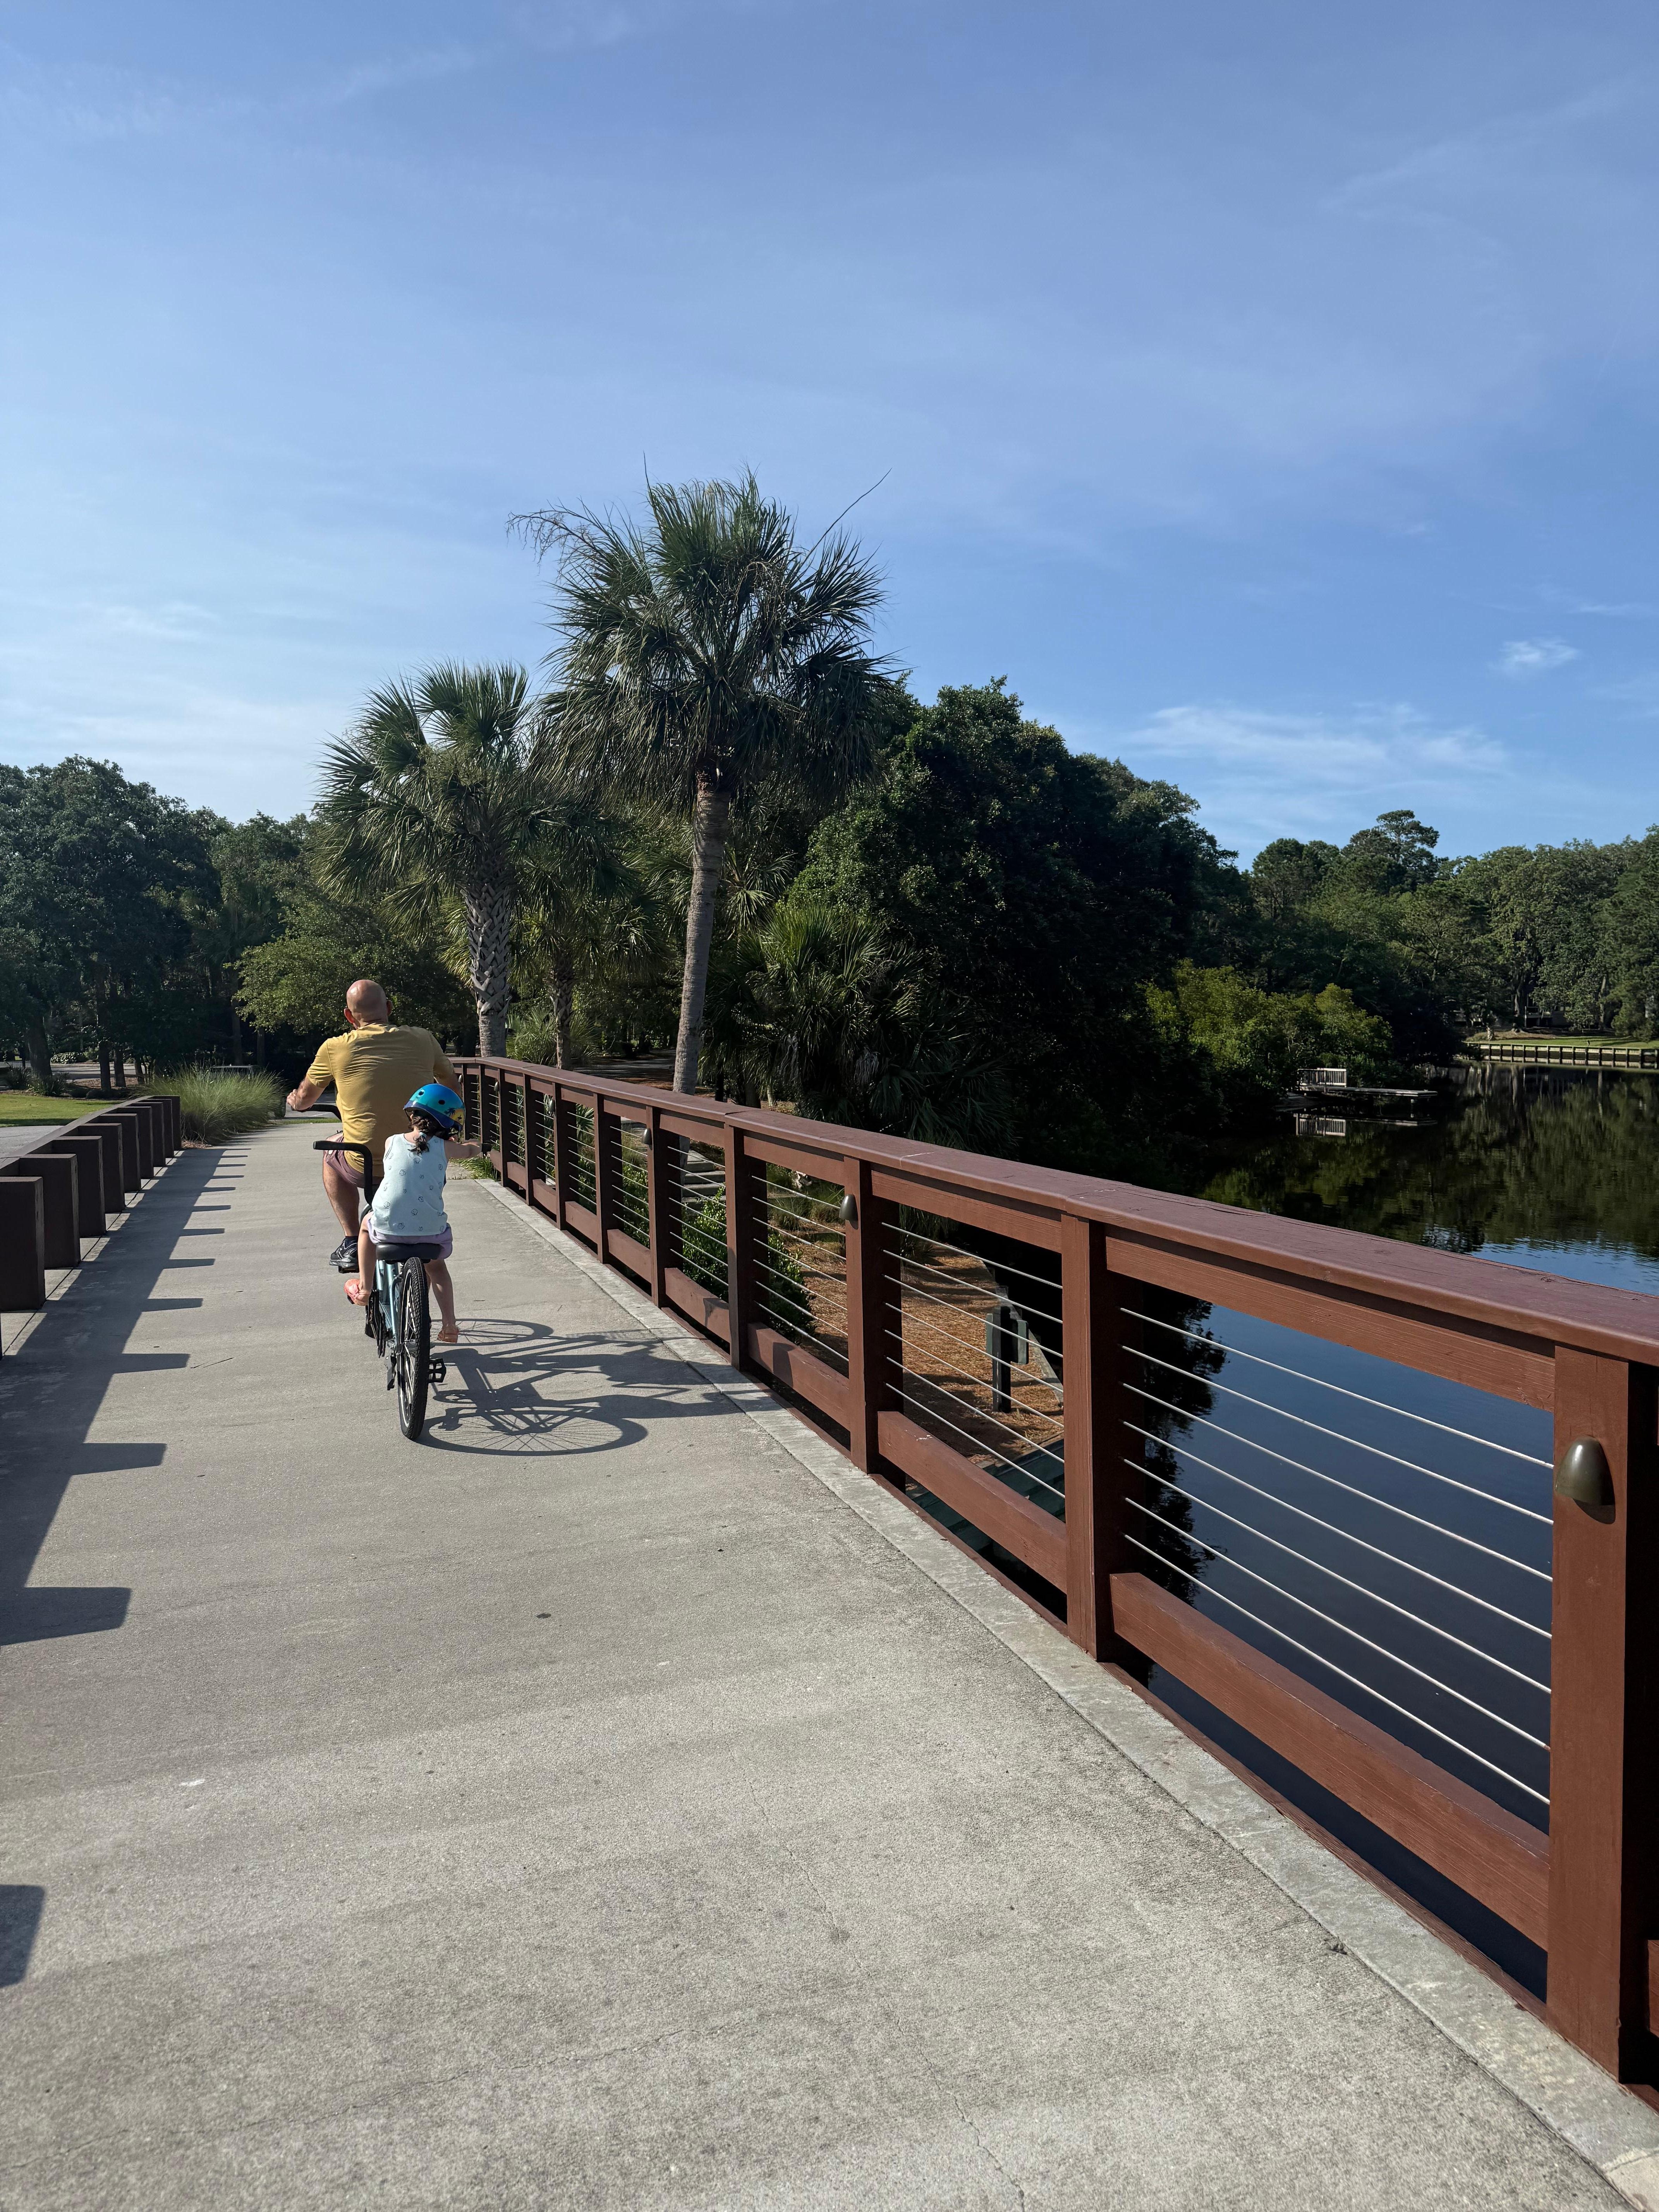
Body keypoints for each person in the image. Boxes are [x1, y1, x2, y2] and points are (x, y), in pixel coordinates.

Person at [286, 980, 460, 1269]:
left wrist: (295, 1100)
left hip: (364, 1163)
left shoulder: (335, 1048)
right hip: (423, 1158)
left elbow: (305, 1100)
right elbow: (451, 1088)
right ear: (389, 1008)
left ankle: (352, 1240)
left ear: (349, 1016)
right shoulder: (423, 1039)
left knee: (331, 1154)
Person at [344, 1084, 472, 1345]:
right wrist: (476, 1147)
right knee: (437, 1270)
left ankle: (366, 1289)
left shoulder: (392, 1141)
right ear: (449, 1124)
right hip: (430, 1231)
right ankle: (449, 1326)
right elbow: (470, 1151)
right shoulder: (447, 1149)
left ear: (412, 1115)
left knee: (367, 1226)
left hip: (389, 1227)